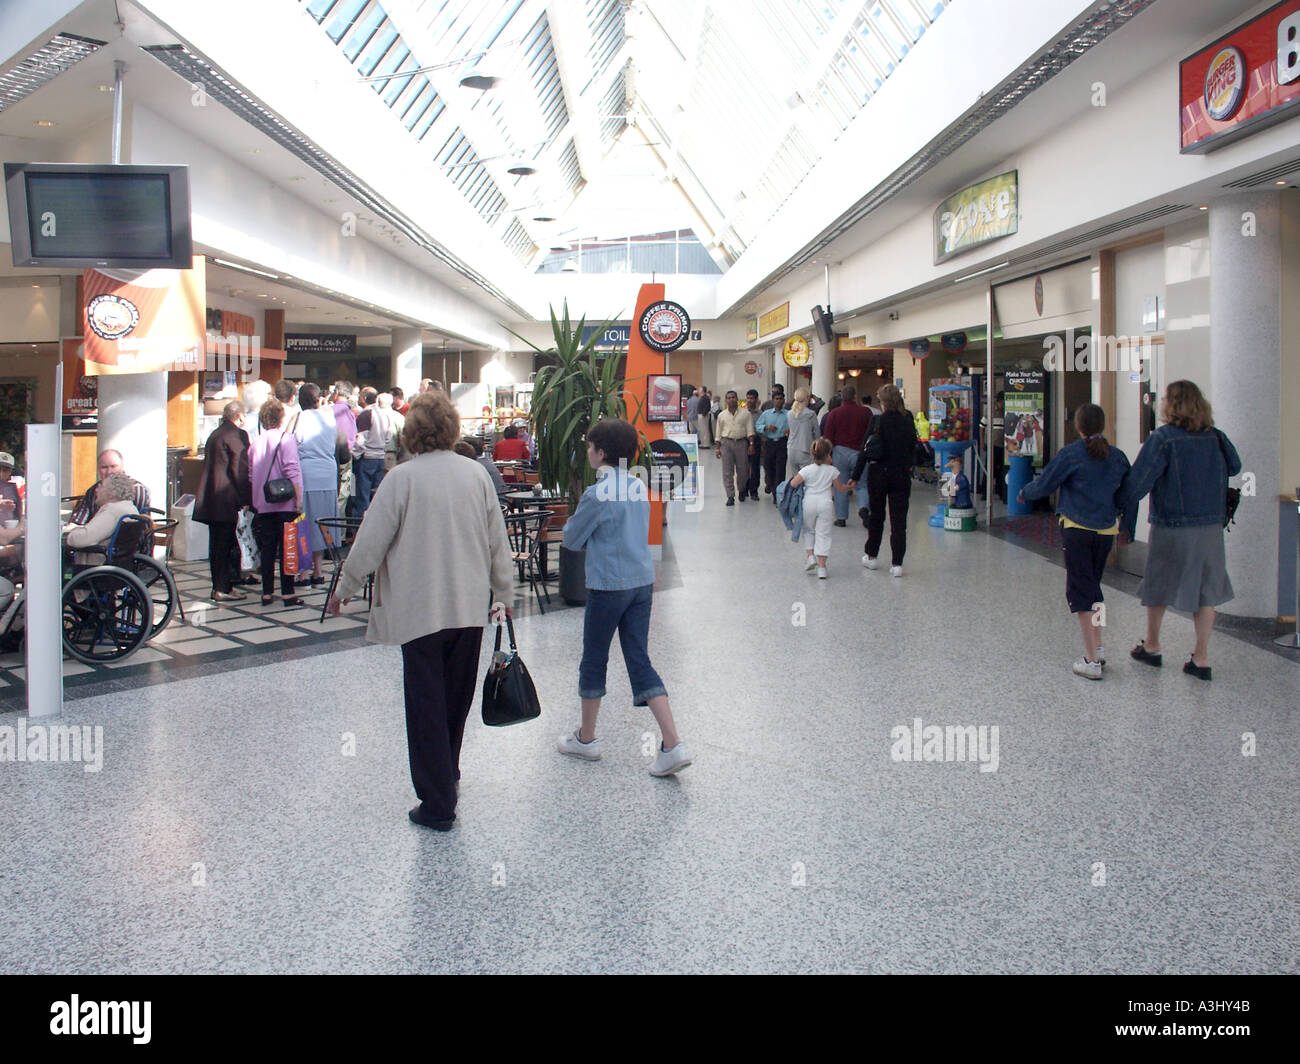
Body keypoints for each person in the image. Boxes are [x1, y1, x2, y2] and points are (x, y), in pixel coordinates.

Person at [327, 392, 514, 831]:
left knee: (426, 704)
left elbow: (371, 539)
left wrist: (346, 585)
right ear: (451, 427)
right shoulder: (476, 475)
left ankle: (437, 804)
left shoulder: (401, 479)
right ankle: (448, 773)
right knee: (455, 700)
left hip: (420, 611)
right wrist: (503, 594)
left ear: (411, 431)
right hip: (469, 608)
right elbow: (496, 543)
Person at [558, 418, 691, 776]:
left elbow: (571, 540)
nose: (588, 452)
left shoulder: (596, 494)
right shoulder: (638, 486)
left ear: (601, 453)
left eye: (590, 447)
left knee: (594, 658)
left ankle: (586, 740)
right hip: (642, 583)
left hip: (607, 587)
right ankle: (672, 743)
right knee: (638, 659)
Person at [1117, 380, 1241, 682]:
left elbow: (1138, 482)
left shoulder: (1163, 439)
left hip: (1171, 525)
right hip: (1210, 526)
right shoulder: (1216, 437)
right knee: (1206, 590)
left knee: (1159, 583)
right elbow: (1236, 467)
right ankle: (1201, 658)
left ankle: (1153, 646)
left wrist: (1115, 506)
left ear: (1169, 406)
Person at [1019, 403, 1131, 680]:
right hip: (1106, 531)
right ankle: (1099, 645)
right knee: (1095, 591)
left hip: (1077, 529)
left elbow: (1046, 483)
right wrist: (1127, 526)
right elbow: (1130, 494)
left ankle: (1091, 660)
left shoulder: (1071, 454)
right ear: (1102, 425)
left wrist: (1025, 492)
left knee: (1081, 593)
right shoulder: (1118, 457)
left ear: (1078, 426)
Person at [850, 383, 918, 577]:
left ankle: (871, 555)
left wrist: (855, 476)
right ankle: (897, 563)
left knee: (877, 516)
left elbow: (865, 450)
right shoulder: (907, 421)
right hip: (901, 474)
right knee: (899, 520)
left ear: (883, 402)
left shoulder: (877, 421)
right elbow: (914, 448)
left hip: (878, 473)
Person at [193, 401, 252, 602]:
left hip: (211, 497)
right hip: (228, 498)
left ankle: (220, 585)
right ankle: (223, 588)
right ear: (241, 417)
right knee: (226, 545)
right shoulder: (237, 435)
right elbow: (240, 468)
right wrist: (246, 497)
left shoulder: (215, 434)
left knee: (217, 545)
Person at [249, 398, 305, 607]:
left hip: (263, 503)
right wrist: (298, 498)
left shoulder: (256, 442)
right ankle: (288, 592)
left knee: (267, 548)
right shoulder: (286, 439)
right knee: (288, 548)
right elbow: (292, 470)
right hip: (285, 502)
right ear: (281, 418)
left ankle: (266, 592)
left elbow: (251, 474)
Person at [294, 383, 341, 587]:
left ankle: (304, 572)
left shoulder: (301, 418)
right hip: (328, 473)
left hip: (307, 473)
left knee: (304, 522)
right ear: (317, 399)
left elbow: (294, 442)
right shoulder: (329, 417)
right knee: (323, 523)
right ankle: (319, 571)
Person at [788, 438, 856, 579]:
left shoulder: (806, 470)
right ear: (827, 456)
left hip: (809, 503)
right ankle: (822, 568)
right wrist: (850, 486)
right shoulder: (833, 471)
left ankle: (810, 556)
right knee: (823, 534)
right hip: (826, 504)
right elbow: (840, 488)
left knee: (808, 530)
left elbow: (793, 484)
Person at [822, 384, 872, 528]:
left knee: (840, 485)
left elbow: (828, 436)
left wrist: (827, 456)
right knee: (862, 484)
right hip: (860, 452)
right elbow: (870, 433)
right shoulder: (865, 412)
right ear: (855, 396)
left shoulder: (835, 413)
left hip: (840, 452)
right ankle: (863, 508)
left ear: (841, 397)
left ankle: (841, 517)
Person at [64, 472, 140, 563]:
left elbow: (80, 539)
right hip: (117, 565)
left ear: (112, 493)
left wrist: (71, 533)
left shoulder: (113, 511)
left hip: (96, 567)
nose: (96, 490)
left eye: (101, 486)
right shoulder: (130, 508)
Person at [70, 450, 150, 525]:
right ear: (98, 469)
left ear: (122, 467)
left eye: (113, 466)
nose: (109, 472)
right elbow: (79, 520)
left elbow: (139, 524)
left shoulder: (137, 490)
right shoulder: (93, 491)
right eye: (104, 467)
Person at [351, 387, 391, 517]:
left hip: (366, 458)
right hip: (380, 458)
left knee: (361, 496)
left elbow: (360, 440)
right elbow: (388, 437)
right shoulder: (384, 414)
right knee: (376, 495)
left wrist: (355, 454)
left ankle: (359, 527)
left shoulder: (365, 414)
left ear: (363, 398)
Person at [714, 390, 753, 506]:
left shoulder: (746, 414)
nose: (731, 399)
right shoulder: (722, 415)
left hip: (741, 443)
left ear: (737, 399)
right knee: (727, 471)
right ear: (726, 400)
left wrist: (751, 445)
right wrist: (717, 448)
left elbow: (750, 430)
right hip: (726, 443)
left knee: (743, 471)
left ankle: (741, 490)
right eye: (729, 398)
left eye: (733, 397)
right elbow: (718, 433)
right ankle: (730, 496)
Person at [754, 390, 789, 498]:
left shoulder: (788, 414)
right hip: (770, 443)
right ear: (773, 401)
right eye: (776, 399)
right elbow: (758, 426)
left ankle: (777, 494)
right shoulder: (766, 414)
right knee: (769, 467)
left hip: (782, 443)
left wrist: (789, 431)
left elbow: (794, 427)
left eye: (780, 399)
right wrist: (766, 427)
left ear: (783, 400)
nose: (778, 401)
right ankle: (771, 485)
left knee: (780, 469)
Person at [785, 387, 818, 481]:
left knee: (796, 479)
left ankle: (797, 495)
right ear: (807, 398)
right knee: (808, 479)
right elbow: (817, 434)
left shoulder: (790, 414)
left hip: (791, 449)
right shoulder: (811, 414)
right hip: (805, 449)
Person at [743, 390, 763, 501]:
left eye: (752, 398)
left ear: (756, 400)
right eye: (748, 398)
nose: (750, 400)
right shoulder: (742, 413)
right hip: (743, 442)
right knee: (743, 467)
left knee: (755, 467)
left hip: (756, 441)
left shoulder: (761, 414)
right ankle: (744, 489)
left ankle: (754, 491)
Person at [0, 452, 22, 522]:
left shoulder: (12, 488)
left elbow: (18, 515)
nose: (1, 474)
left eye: (5, 471)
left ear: (10, 472)